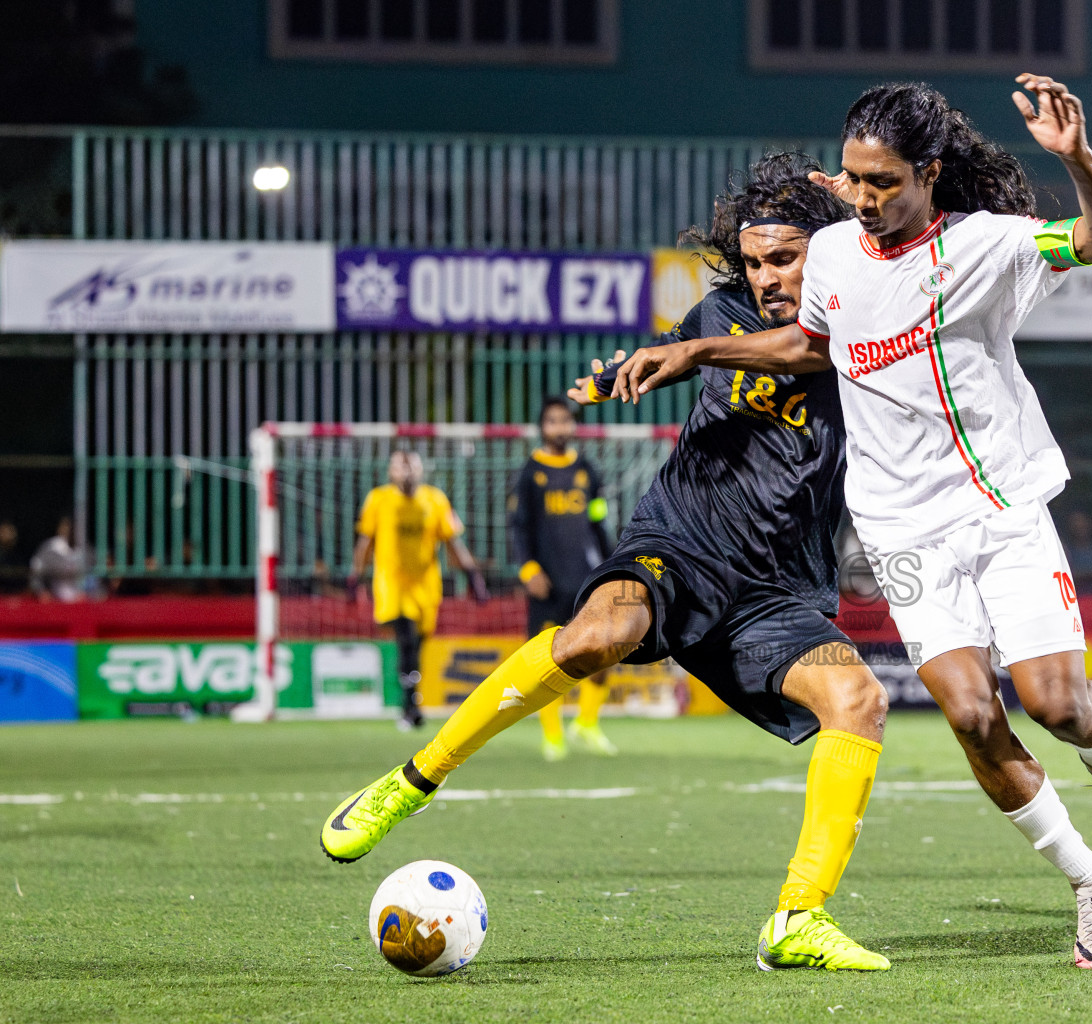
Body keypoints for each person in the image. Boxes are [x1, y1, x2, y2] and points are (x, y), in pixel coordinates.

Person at [611, 77, 1092, 970]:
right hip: (901, 529)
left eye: (883, 182)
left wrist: (1078, 160)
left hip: (999, 507)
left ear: (930, 173)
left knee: (1056, 704)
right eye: (854, 179)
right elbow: (812, 345)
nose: (866, 198)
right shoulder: (836, 251)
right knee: (971, 715)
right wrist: (696, 349)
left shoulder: (986, 244)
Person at [323, 153, 895, 972]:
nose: (766, 278)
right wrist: (627, 370)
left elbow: (812, 348)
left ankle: (798, 920)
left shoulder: (872, 319)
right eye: (754, 262)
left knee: (858, 699)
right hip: (681, 542)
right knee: (597, 637)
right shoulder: (722, 312)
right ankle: (412, 781)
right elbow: (673, 348)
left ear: (829, 250)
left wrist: (695, 354)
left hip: (776, 590)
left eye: (784, 258)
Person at [511, 396, 618, 761]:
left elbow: (598, 521)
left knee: (606, 648)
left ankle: (587, 722)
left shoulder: (587, 470)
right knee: (547, 661)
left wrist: (612, 564)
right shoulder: (530, 473)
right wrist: (529, 569)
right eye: (552, 421)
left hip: (585, 578)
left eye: (565, 420)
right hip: (547, 581)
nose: (560, 427)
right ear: (542, 427)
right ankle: (552, 736)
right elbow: (519, 528)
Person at [348, 450, 488, 729]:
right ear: (390, 472)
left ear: (422, 469)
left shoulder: (435, 499)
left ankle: (409, 700)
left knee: (418, 643)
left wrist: (473, 576)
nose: (407, 470)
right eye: (400, 466)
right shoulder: (378, 499)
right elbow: (365, 542)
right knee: (406, 637)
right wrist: (355, 577)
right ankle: (410, 705)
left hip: (426, 584)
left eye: (412, 464)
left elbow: (453, 542)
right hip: (393, 583)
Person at [30, 516, 87, 603]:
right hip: (54, 597)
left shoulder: (83, 548)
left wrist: (86, 592)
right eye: (64, 526)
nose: (67, 530)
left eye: (70, 527)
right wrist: (40, 591)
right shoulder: (50, 547)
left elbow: (89, 574)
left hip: (78, 598)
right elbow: (35, 569)